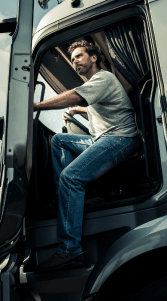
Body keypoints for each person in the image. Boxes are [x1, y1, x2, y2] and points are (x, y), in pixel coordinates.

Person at [33, 41, 140, 272]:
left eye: (79, 56)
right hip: (102, 138)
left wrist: (35, 106)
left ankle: (70, 251)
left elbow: (77, 96)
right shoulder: (96, 85)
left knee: (70, 176)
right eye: (72, 59)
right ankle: (65, 198)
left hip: (121, 139)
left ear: (93, 57)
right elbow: (91, 105)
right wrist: (77, 111)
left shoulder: (103, 78)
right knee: (59, 140)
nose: (75, 61)